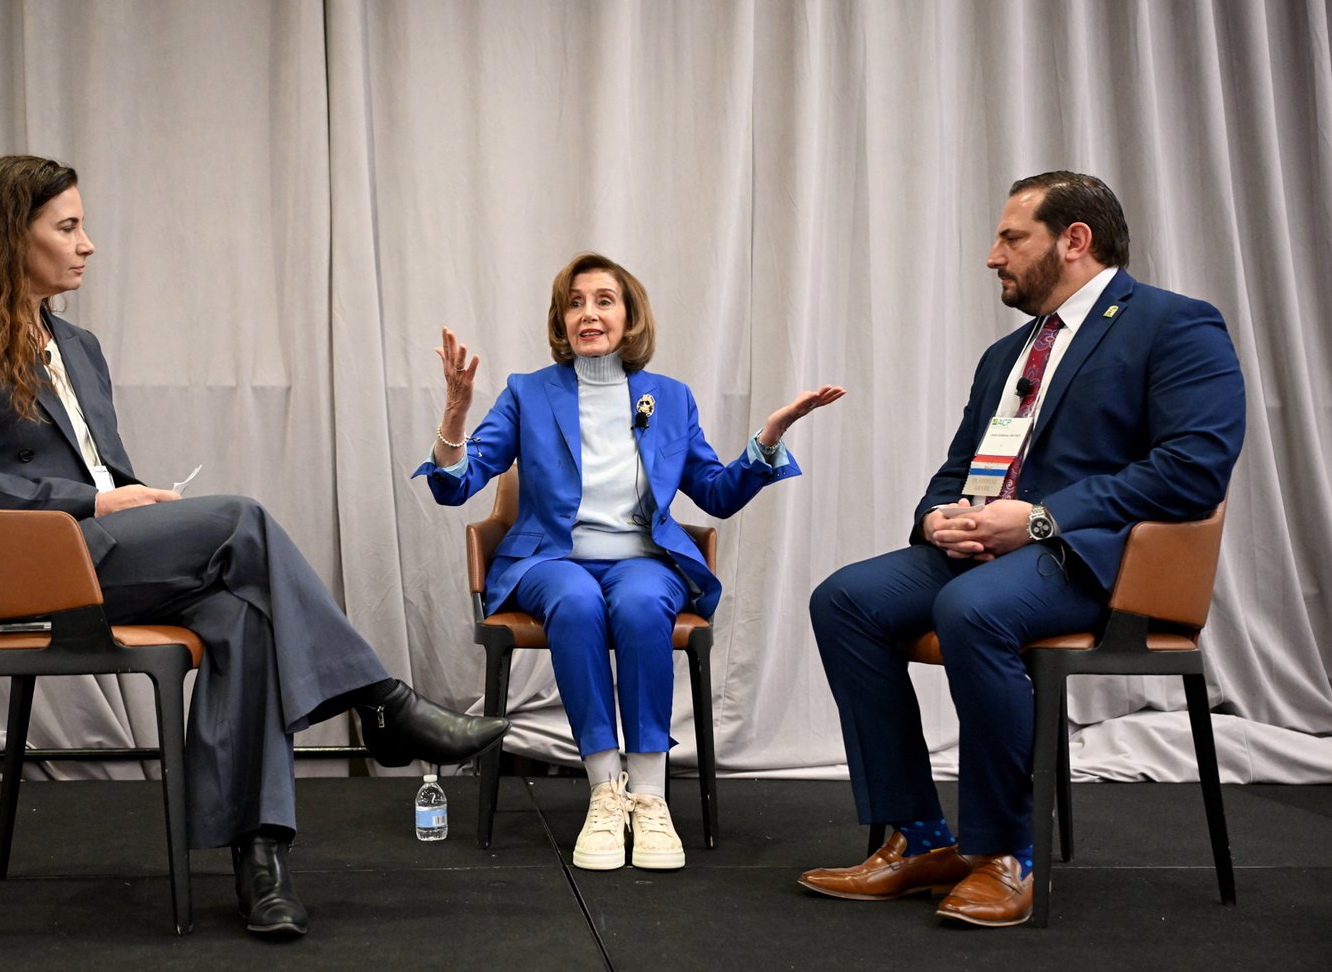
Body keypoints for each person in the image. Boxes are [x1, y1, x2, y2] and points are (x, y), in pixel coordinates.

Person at [0, 155, 508, 940]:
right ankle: (381, 702)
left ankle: (261, 861)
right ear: (9, 236)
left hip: (98, 550)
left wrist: (135, 500)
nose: (87, 244)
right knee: (241, 519)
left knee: (245, 614)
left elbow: (104, 472)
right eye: (67, 227)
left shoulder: (78, 347)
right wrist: (98, 503)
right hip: (28, 562)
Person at [800, 172, 1246, 927]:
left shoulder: (1174, 324)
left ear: (1075, 240)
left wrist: (1041, 519)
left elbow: (1193, 468)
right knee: (844, 599)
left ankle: (1006, 852)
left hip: (1096, 560)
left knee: (970, 609)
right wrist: (936, 519)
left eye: (1012, 238)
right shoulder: (1007, 354)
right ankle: (920, 838)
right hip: (991, 550)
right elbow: (959, 465)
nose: (992, 256)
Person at [416, 253, 844, 871]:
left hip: (641, 559)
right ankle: (602, 792)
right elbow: (457, 484)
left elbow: (716, 493)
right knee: (575, 599)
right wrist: (455, 415)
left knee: (643, 602)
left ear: (629, 316)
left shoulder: (669, 397)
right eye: (575, 303)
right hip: (552, 560)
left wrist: (769, 439)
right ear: (561, 321)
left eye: (604, 300)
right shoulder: (528, 392)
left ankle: (649, 795)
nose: (588, 313)